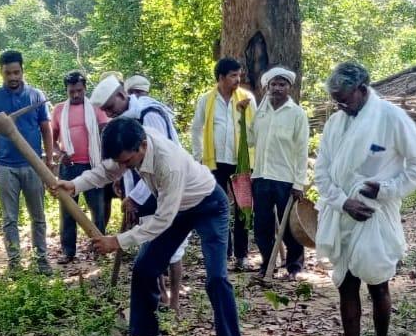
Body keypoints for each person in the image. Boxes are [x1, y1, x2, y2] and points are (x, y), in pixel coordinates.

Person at [53, 118, 244, 336]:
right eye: (121, 161)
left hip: (209, 205)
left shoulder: (168, 164)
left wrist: (118, 241)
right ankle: (144, 334)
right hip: (176, 207)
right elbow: (108, 170)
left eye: (127, 161)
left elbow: (162, 219)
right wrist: (74, 185)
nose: (125, 167)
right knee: (144, 268)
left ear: (142, 146)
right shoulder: (132, 145)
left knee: (216, 278)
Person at [315, 62, 416, 336]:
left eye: (344, 98)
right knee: (346, 283)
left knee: (378, 283)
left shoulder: (391, 118)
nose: (339, 105)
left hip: (375, 214)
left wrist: (386, 189)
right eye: (335, 100)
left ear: (362, 90)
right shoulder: (334, 124)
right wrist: (343, 203)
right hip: (343, 213)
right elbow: (322, 172)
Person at [92, 75, 188, 314]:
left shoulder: (150, 114)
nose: (109, 113)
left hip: (165, 187)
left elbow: (158, 161)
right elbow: (126, 161)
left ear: (122, 96)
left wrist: (135, 196)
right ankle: (162, 297)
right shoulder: (123, 120)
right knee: (149, 244)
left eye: (110, 107)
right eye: (105, 110)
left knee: (173, 248)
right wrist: (123, 184)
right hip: (140, 191)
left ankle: (175, 301)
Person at [0, 50, 55, 274]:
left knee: (38, 217)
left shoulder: (35, 96)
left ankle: (41, 260)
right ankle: (14, 263)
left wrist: (48, 161)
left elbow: (46, 130)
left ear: (22, 71)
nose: (13, 77)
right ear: (1, 73)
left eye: (16, 72)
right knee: (10, 219)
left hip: (33, 165)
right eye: (8, 73)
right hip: (5, 167)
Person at [190, 57, 257, 271]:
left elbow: (255, 128)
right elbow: (196, 128)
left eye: (239, 75)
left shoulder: (246, 98)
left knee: (242, 207)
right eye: (233, 75)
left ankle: (242, 255)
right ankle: (223, 252)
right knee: (217, 206)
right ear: (221, 77)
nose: (238, 79)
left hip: (241, 161)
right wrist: (199, 157)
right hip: (214, 161)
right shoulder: (207, 100)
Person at [248, 67, 309, 279]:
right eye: (273, 84)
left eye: (282, 84)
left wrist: (298, 183)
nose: (277, 88)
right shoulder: (260, 113)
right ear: (267, 87)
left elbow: (302, 150)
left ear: (289, 88)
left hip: (286, 179)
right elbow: (249, 140)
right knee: (262, 226)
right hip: (261, 177)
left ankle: (294, 267)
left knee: (290, 226)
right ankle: (268, 263)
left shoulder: (297, 114)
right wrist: (242, 116)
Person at [51, 71, 110, 264]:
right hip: (69, 167)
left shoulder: (96, 108)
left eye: (79, 91)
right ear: (66, 90)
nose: (75, 95)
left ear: (85, 89)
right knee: (68, 211)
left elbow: (105, 133)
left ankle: (99, 249)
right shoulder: (59, 110)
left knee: (98, 211)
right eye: (71, 91)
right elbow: (51, 139)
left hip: (93, 166)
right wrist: (60, 155)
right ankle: (68, 252)